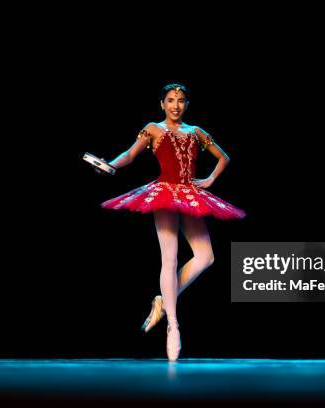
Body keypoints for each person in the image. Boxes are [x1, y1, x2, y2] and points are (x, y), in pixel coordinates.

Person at [98, 83, 245, 362]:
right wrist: (111, 165)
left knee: (206, 257)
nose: (175, 105)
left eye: (180, 100)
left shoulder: (196, 132)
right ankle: (173, 325)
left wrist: (210, 180)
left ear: (186, 104)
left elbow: (224, 157)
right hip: (164, 192)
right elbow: (130, 154)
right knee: (171, 258)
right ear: (162, 104)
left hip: (190, 193)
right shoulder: (153, 128)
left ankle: (163, 302)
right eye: (170, 100)